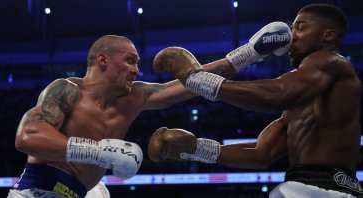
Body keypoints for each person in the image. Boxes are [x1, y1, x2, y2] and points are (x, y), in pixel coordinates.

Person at [8, 21, 292, 198]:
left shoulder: (135, 96)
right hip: (38, 190)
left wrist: (251, 52)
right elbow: (28, 137)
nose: (136, 69)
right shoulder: (67, 89)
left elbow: (192, 83)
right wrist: (98, 151)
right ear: (103, 60)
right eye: (129, 61)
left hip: (83, 191)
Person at [149, 3, 362, 198]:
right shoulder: (301, 97)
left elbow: (275, 94)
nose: (292, 36)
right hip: (308, 185)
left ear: (328, 36)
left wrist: (197, 79)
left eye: (300, 28)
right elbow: (262, 153)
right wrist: (195, 149)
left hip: (325, 189)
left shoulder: (333, 63)